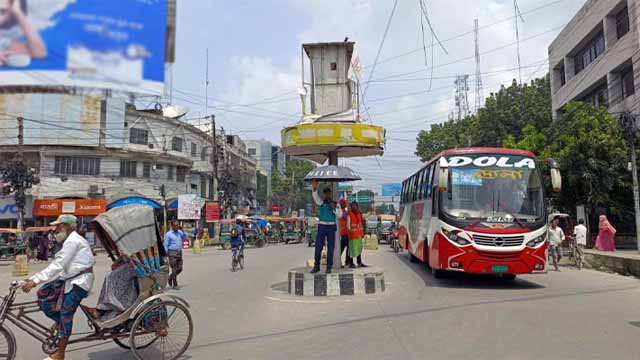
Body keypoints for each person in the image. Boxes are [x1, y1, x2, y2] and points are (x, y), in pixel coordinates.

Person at [20, 214, 95, 360]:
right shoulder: (69, 241)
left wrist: (35, 281)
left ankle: (60, 354)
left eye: (58, 227)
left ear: (66, 226)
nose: (55, 231)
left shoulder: (73, 241)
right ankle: (60, 323)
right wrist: (33, 279)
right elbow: (58, 265)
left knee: (66, 315)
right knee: (44, 294)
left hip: (79, 282)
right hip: (69, 278)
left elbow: (57, 265)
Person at [0, 0, 47, 65]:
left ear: (8, 19)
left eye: (2, 12)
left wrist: (18, 12)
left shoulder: (2, 41)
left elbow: (39, 53)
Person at [310, 180, 342, 274]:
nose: (327, 195)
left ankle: (329, 267)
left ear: (331, 194)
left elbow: (340, 215)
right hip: (322, 226)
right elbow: (315, 198)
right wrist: (315, 188)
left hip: (331, 227)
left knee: (331, 248)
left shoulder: (336, 204)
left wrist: (334, 208)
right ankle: (316, 266)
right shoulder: (321, 202)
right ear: (324, 194)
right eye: (326, 193)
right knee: (318, 246)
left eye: (329, 193)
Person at [164, 220, 185, 289]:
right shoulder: (168, 234)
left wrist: (183, 230)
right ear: (172, 226)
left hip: (179, 252)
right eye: (175, 225)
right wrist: (166, 255)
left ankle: (170, 278)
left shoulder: (180, 232)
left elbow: (185, 238)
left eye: (177, 225)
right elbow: (166, 245)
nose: (177, 226)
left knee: (180, 268)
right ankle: (175, 284)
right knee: (174, 269)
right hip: (172, 252)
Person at [347, 201, 368, 268]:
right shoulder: (349, 214)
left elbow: (365, 217)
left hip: (358, 235)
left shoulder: (359, 214)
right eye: (352, 206)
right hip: (352, 236)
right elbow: (348, 225)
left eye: (355, 206)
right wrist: (350, 231)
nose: (354, 207)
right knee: (352, 250)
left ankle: (359, 262)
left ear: (357, 207)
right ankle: (351, 263)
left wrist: (371, 211)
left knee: (359, 249)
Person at [338, 199, 352, 268]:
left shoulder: (340, 211)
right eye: (344, 204)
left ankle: (343, 262)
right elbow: (347, 218)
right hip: (345, 234)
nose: (345, 205)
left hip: (343, 233)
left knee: (344, 249)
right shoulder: (343, 212)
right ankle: (346, 262)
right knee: (347, 249)